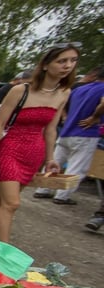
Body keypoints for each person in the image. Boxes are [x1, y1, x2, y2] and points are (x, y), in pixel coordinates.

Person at [0, 43, 79, 242]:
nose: (67, 66)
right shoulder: (20, 91)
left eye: (72, 61)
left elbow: (51, 129)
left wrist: (51, 158)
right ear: (45, 65)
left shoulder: (64, 93)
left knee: (3, 200)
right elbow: (0, 124)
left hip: (34, 152)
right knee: (12, 203)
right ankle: (3, 253)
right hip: (9, 148)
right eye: (61, 61)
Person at [32, 65, 104, 204]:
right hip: (86, 133)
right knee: (77, 166)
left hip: (66, 131)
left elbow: (62, 103)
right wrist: (95, 117)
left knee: (55, 161)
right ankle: (62, 195)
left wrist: (65, 117)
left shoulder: (79, 89)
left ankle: (42, 189)